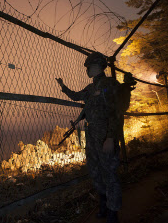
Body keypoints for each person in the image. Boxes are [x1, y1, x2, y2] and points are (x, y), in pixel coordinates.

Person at [55, 52, 122, 223]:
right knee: (95, 171)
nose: (87, 70)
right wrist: (63, 86)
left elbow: (116, 112)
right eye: (87, 67)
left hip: (105, 133)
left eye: (89, 66)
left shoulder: (110, 84)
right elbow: (76, 96)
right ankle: (103, 205)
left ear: (99, 66)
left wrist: (110, 138)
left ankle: (113, 212)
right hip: (92, 134)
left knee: (109, 172)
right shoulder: (90, 88)